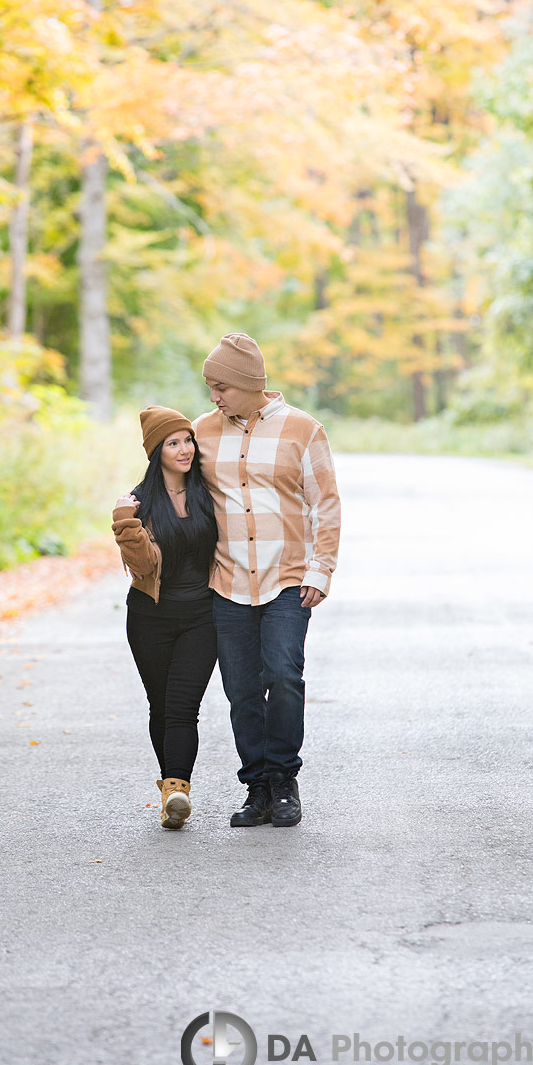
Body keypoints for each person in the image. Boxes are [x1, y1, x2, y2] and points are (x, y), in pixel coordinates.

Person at [193, 333, 341, 828]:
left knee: (283, 676)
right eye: (210, 387)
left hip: (288, 579)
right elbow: (174, 485)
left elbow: (325, 504)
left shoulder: (304, 430)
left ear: (247, 383)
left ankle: (283, 779)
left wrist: (321, 568)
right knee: (240, 689)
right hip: (227, 579)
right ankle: (256, 788)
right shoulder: (202, 432)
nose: (214, 396)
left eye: (221, 387)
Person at [112, 406, 218, 830]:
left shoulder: (209, 493)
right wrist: (125, 523)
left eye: (188, 440)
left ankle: (177, 789)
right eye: (173, 443)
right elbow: (142, 566)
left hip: (203, 616)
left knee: (182, 707)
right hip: (150, 618)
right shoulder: (137, 503)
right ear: (156, 451)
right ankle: (170, 793)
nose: (185, 449)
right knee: (161, 705)